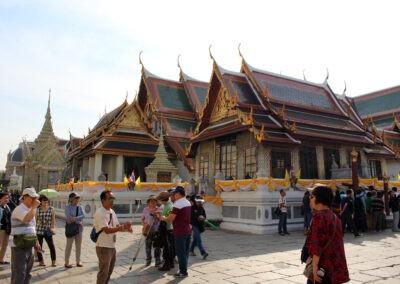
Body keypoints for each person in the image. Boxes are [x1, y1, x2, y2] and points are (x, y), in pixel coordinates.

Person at [306, 185, 349, 284]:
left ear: (319, 199)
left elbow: (317, 245)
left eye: (312, 197)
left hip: (323, 267)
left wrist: (315, 267)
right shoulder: (334, 216)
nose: (310, 200)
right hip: (335, 265)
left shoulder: (319, 217)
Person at [94, 190, 132, 284]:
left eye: (113, 198)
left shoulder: (112, 211)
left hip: (112, 246)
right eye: (110, 198)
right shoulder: (100, 212)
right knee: (103, 272)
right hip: (103, 246)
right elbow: (106, 230)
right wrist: (121, 228)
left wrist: (126, 228)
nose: (112, 200)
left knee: (109, 271)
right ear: (103, 200)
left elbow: (117, 227)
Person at [159, 186, 191, 278]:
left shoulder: (177, 204)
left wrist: (163, 218)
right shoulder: (188, 202)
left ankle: (183, 271)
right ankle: (184, 269)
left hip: (180, 231)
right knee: (185, 252)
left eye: (174, 194)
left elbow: (171, 218)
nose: (173, 196)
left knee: (180, 252)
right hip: (187, 230)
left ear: (178, 194)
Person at [10, 187, 41, 284]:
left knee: (28, 273)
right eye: (32, 197)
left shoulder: (31, 210)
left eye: (35, 198)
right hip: (19, 245)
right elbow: (27, 219)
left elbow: (32, 227)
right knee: (19, 273)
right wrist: (35, 207)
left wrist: (36, 241)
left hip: (29, 244)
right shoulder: (19, 209)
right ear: (25, 197)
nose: (34, 200)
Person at [64, 192, 85, 268]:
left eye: (77, 199)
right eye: (76, 198)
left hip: (79, 229)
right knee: (69, 245)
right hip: (71, 228)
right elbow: (69, 218)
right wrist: (78, 221)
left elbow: (83, 215)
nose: (77, 200)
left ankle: (78, 260)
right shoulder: (68, 207)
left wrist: (76, 219)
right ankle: (67, 261)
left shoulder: (79, 207)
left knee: (78, 245)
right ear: (72, 199)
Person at [156, 191, 175, 271]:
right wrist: (159, 212)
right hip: (171, 228)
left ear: (163, 200)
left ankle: (167, 264)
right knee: (170, 247)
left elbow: (168, 218)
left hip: (167, 228)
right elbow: (166, 214)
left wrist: (160, 217)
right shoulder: (169, 205)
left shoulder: (167, 207)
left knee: (167, 248)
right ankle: (171, 263)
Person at [36, 194, 56, 266]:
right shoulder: (37, 210)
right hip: (39, 229)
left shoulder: (51, 209)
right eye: (44, 200)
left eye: (46, 200)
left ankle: (53, 260)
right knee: (39, 246)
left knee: (51, 245)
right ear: (40, 201)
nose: (45, 202)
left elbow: (53, 220)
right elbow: (36, 219)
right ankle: (41, 260)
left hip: (48, 230)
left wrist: (52, 227)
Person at [141, 195, 161, 267]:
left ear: (156, 202)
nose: (152, 203)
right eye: (151, 201)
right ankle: (148, 259)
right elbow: (142, 219)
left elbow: (160, 219)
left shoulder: (159, 209)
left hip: (156, 229)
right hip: (148, 229)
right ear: (148, 202)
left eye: (154, 201)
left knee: (157, 246)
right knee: (148, 245)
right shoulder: (145, 209)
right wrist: (144, 226)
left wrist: (157, 216)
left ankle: (157, 259)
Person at [0, 192, 11, 264]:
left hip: (7, 228)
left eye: (7, 198)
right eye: (5, 198)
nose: (6, 199)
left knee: (5, 244)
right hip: (1, 228)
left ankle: (1, 259)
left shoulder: (7, 207)